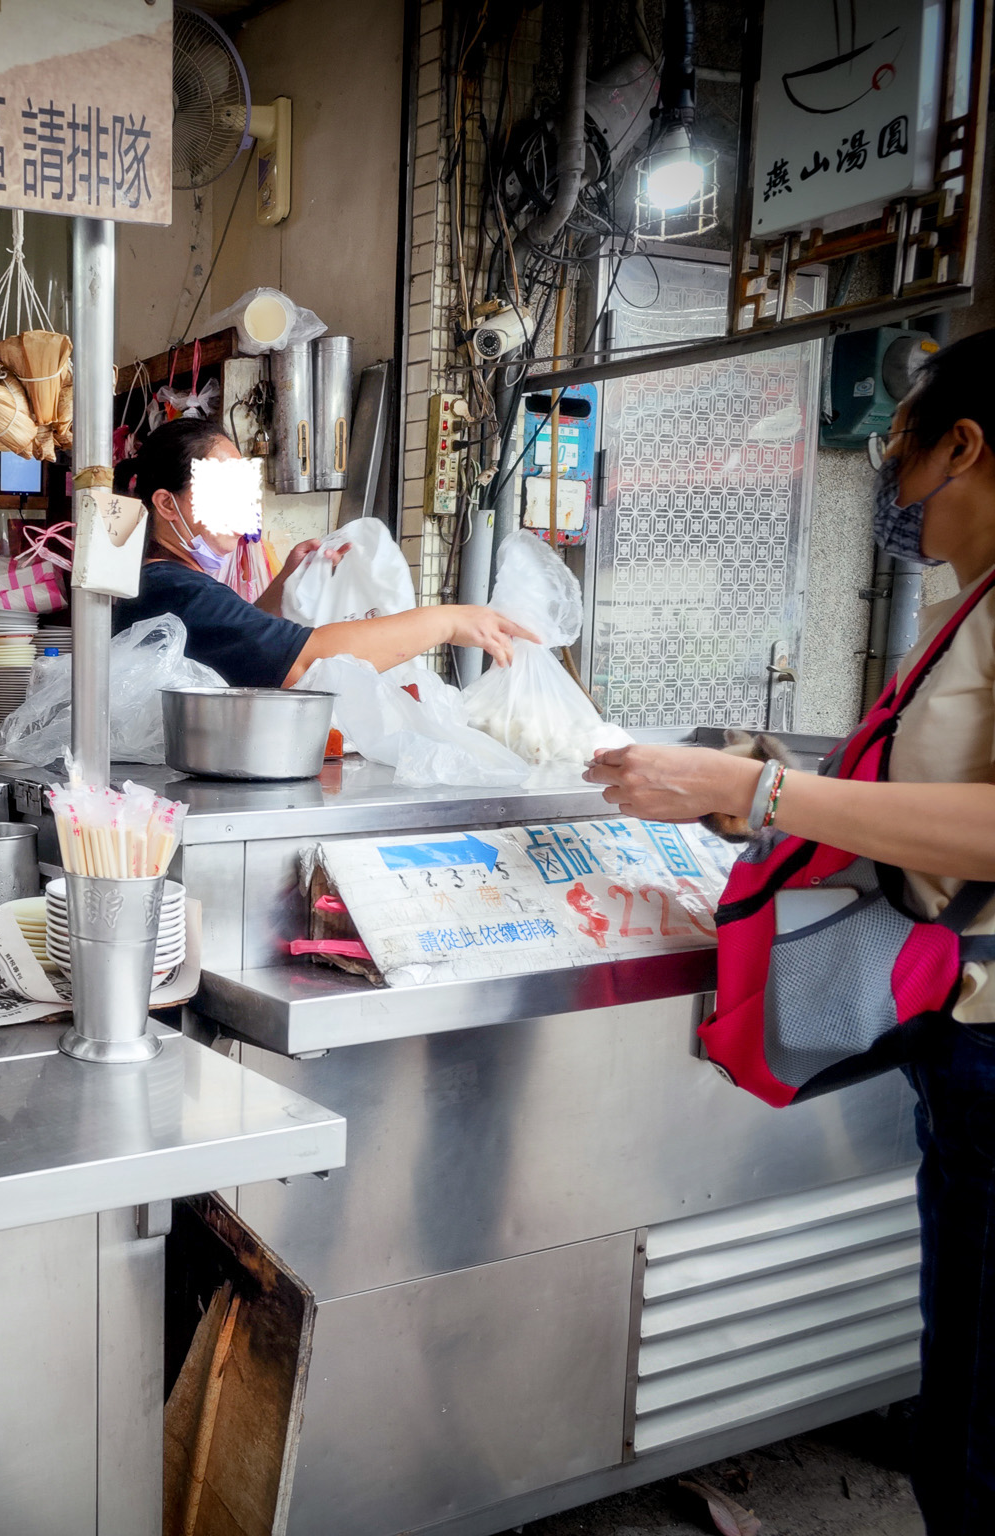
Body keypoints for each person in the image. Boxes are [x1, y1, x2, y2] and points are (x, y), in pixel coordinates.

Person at [585, 328, 995, 1536]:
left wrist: (765, 798)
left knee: (973, 1443)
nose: (894, 493)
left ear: (961, 447)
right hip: (957, 1047)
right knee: (959, 1404)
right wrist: (743, 792)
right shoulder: (967, 607)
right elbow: (909, 806)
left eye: (901, 458)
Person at [112, 417, 535, 686]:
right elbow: (306, 660)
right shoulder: (175, 589)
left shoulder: (158, 583)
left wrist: (284, 585)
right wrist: (446, 620)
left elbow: (226, 644)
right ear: (166, 504)